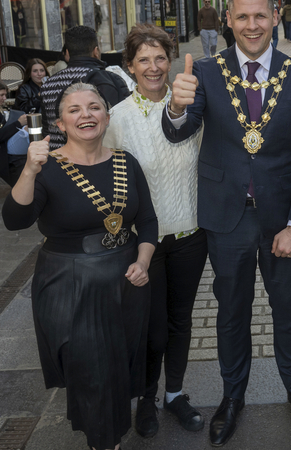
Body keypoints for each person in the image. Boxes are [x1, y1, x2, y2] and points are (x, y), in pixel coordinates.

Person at [163, 0, 291, 446]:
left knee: (290, 311)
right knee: (231, 313)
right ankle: (232, 397)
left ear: (276, 17)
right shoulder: (207, 74)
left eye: (260, 16)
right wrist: (176, 106)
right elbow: (180, 132)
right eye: (242, 16)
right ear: (228, 21)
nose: (252, 25)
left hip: (282, 220)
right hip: (226, 218)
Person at [2, 82, 158, 450]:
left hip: (126, 281)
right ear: (59, 123)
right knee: (92, 373)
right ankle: (104, 443)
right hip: (71, 285)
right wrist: (28, 169)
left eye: (94, 107)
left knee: (119, 367)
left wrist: (143, 259)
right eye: (74, 110)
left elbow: (148, 220)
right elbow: (14, 220)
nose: (86, 115)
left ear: (107, 116)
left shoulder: (125, 161)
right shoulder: (46, 167)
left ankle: (107, 437)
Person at [103, 24, 208, 437]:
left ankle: (175, 394)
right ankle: (146, 397)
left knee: (181, 321)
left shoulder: (194, 109)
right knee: (152, 326)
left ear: (171, 60)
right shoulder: (118, 119)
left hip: (190, 236)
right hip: (142, 244)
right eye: (143, 60)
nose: (153, 67)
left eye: (160, 58)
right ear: (129, 66)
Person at [40, 25, 130, 150]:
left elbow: (46, 131)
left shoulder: (48, 85)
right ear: (96, 51)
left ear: (67, 53)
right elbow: (125, 125)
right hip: (100, 159)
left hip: (57, 160)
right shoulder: (109, 79)